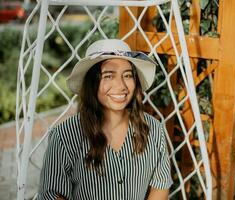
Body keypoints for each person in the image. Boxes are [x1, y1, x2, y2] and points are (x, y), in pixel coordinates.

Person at [37, 39, 173, 200]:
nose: (121, 85)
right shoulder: (64, 136)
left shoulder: (153, 129)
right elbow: (53, 194)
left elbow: (160, 188)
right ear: (92, 83)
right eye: (108, 75)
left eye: (127, 75)